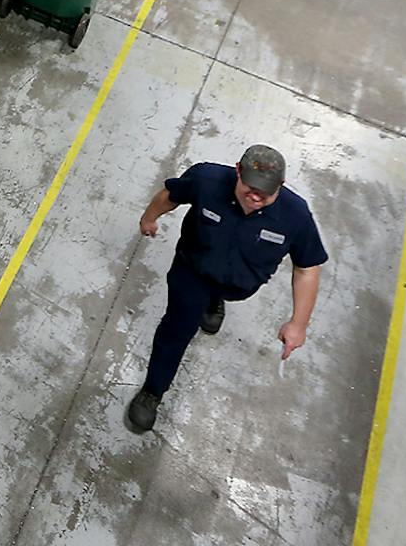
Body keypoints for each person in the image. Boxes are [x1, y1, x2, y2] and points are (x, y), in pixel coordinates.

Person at [125, 144, 327, 434]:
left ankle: (215, 302)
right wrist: (149, 218)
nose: (256, 196)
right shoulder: (206, 180)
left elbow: (307, 268)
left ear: (280, 186)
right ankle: (152, 392)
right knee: (176, 330)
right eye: (250, 186)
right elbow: (171, 196)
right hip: (192, 273)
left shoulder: (295, 216)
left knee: (217, 294)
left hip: (239, 284)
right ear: (237, 171)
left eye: (267, 192)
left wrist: (299, 323)